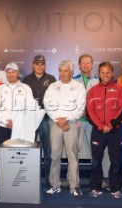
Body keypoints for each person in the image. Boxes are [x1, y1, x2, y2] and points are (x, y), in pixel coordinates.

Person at [43, 60, 86, 197]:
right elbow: (47, 104)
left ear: (72, 72)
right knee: (54, 155)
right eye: (60, 70)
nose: (62, 73)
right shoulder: (53, 86)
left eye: (65, 70)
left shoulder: (79, 87)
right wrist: (58, 120)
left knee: (72, 156)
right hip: (55, 124)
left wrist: (66, 119)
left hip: (72, 124)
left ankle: (74, 185)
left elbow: (80, 108)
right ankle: (55, 185)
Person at [87, 62, 122, 199]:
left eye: (108, 72)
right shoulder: (93, 90)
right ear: (99, 74)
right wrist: (100, 126)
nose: (105, 75)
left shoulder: (119, 89)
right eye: (102, 73)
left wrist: (110, 125)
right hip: (98, 131)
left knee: (116, 161)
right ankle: (95, 187)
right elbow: (90, 112)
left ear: (112, 73)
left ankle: (116, 188)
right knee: (96, 161)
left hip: (114, 131)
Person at [69, 54, 110, 189]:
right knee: (74, 150)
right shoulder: (73, 81)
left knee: (97, 152)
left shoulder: (100, 81)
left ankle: (98, 180)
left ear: (92, 64)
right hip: (77, 121)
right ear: (79, 65)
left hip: (94, 123)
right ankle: (72, 180)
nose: (85, 65)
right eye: (83, 63)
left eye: (88, 63)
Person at [23, 55, 56, 191]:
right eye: (37, 64)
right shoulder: (26, 80)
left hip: (45, 117)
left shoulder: (51, 79)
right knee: (30, 150)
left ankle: (49, 181)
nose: (39, 66)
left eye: (42, 64)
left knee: (47, 151)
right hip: (30, 117)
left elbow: (54, 98)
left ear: (45, 65)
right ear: (33, 65)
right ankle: (29, 180)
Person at [0, 62, 34, 146]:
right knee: (3, 155)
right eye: (8, 72)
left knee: (20, 154)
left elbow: (30, 107)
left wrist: (17, 121)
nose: (11, 75)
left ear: (18, 73)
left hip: (21, 127)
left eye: (13, 72)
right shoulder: (0, 88)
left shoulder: (26, 88)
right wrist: (5, 121)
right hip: (4, 126)